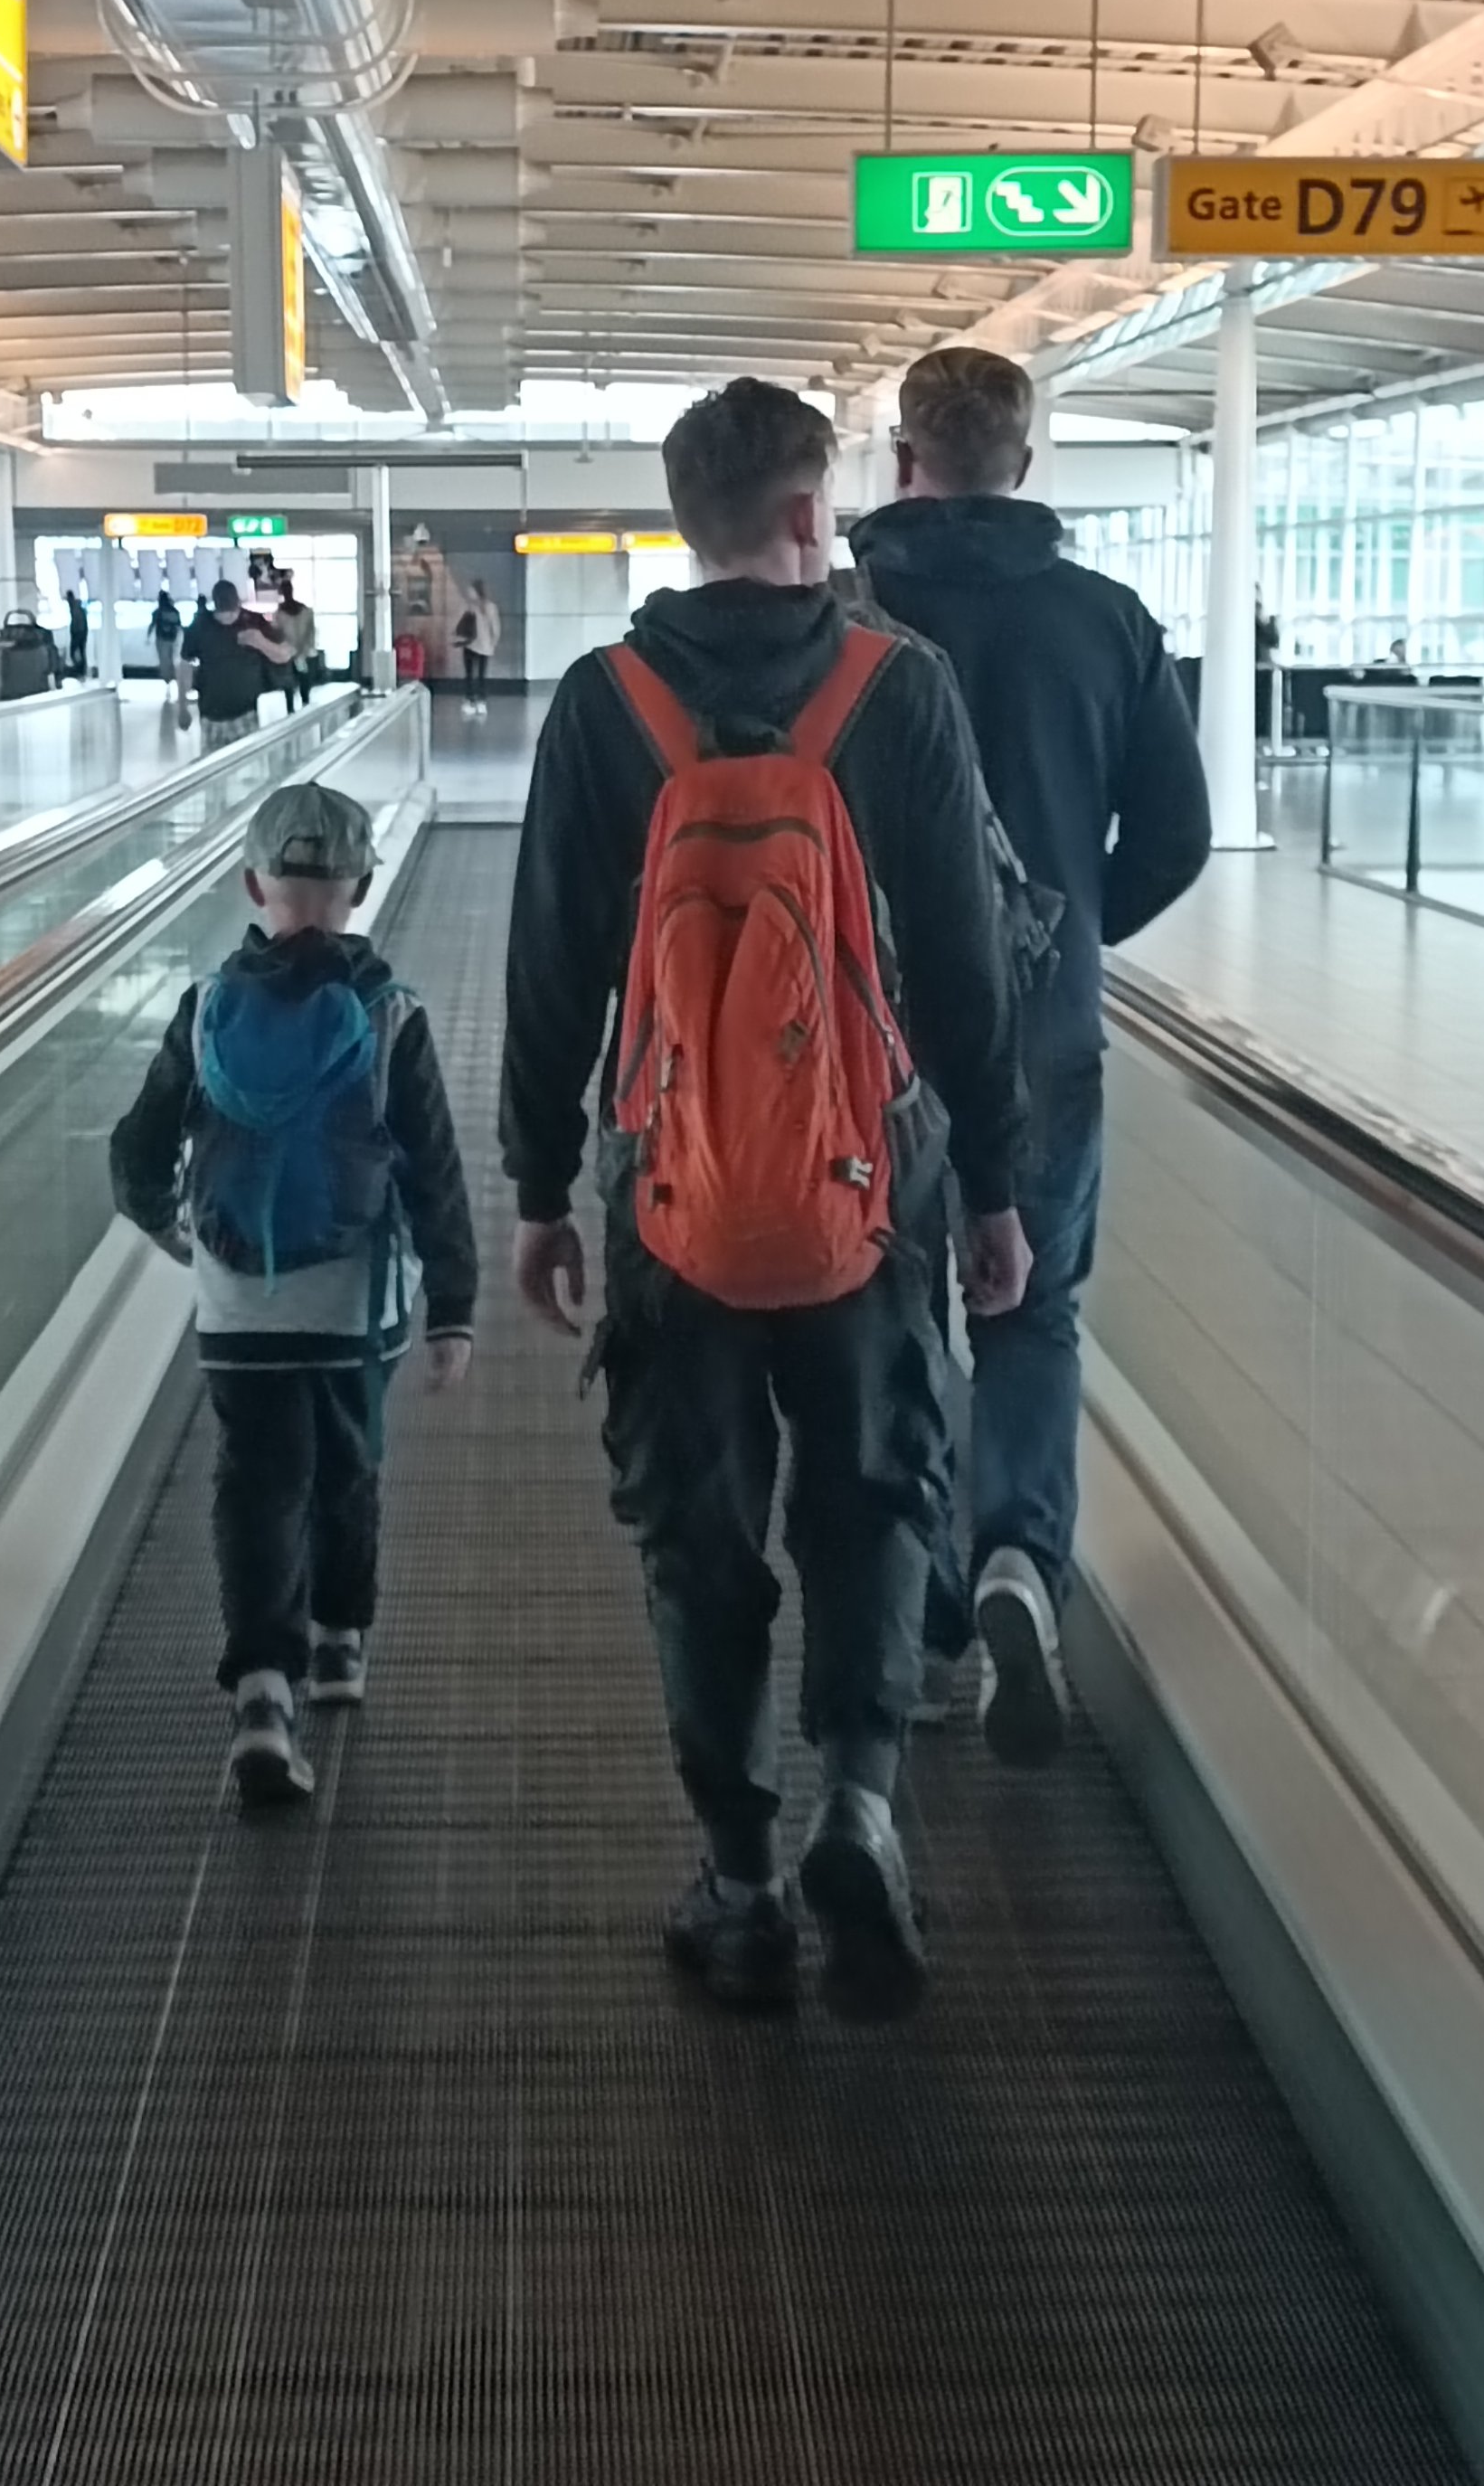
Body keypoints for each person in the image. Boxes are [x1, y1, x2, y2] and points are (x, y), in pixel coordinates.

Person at [502, 377, 1029, 2020]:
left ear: (687, 521)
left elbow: (549, 964)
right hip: (873, 1179)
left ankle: (737, 1885)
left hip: (669, 1187)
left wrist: (537, 1188)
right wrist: (995, 1189)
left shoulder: (604, 702)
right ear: (811, 514)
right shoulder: (903, 688)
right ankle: (858, 1805)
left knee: (697, 1526)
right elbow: (965, 972)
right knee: (875, 1490)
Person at [848, 346, 1211, 1768]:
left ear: (904, 460)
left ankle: (925, 1631)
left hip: (868, 1043)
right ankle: (1016, 1558)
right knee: (1030, 1312)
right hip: (1040, 1034)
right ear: (1024, 460)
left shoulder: (844, 622)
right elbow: (1175, 834)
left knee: (891, 1322)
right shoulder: (1106, 620)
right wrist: (1063, 935)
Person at [109, 782, 477, 1808]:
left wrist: (172, 1230)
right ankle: (339, 1639)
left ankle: (263, 1692)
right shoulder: (391, 1013)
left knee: (256, 1481)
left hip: (240, 1303)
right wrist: (453, 1307)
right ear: (357, 890)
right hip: (356, 1304)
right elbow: (436, 1173)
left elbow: (136, 1151)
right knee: (345, 1467)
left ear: (251, 886)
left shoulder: (206, 1009)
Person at [180, 578, 294, 751]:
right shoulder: (201, 625)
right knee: (215, 765)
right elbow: (184, 664)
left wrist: (260, 642)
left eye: (232, 614)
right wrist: (182, 706)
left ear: (239, 605)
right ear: (215, 608)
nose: (228, 619)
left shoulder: (253, 621)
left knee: (249, 765)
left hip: (246, 713)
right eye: (223, 615)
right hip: (211, 716)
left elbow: (284, 655)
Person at [455, 580, 500, 715]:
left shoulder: (469, 607)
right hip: (485, 647)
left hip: (470, 645)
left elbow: (462, 625)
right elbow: (495, 628)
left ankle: (470, 701)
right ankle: (481, 702)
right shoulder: (490, 607)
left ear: (476, 591)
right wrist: (493, 644)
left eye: (471, 590)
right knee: (481, 675)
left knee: (470, 675)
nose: (469, 593)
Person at [274, 574, 322, 704]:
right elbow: (310, 633)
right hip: (301, 653)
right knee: (302, 679)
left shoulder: (280, 614)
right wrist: (304, 649)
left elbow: (277, 634)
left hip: (290, 653)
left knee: (290, 682)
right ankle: (303, 703)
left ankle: (293, 706)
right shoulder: (304, 611)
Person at [149, 587, 184, 695]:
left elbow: (152, 625)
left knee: (164, 660)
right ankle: (174, 678)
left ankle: (167, 679)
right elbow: (179, 625)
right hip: (172, 638)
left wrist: (148, 636)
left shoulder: (157, 612)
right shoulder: (174, 611)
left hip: (161, 639)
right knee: (172, 658)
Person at [65, 588, 89, 680]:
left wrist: (75, 633)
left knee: (73, 652)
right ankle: (82, 670)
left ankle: (79, 670)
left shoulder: (74, 608)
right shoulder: (78, 607)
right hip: (82, 633)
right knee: (82, 652)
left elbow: (77, 622)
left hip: (78, 633)